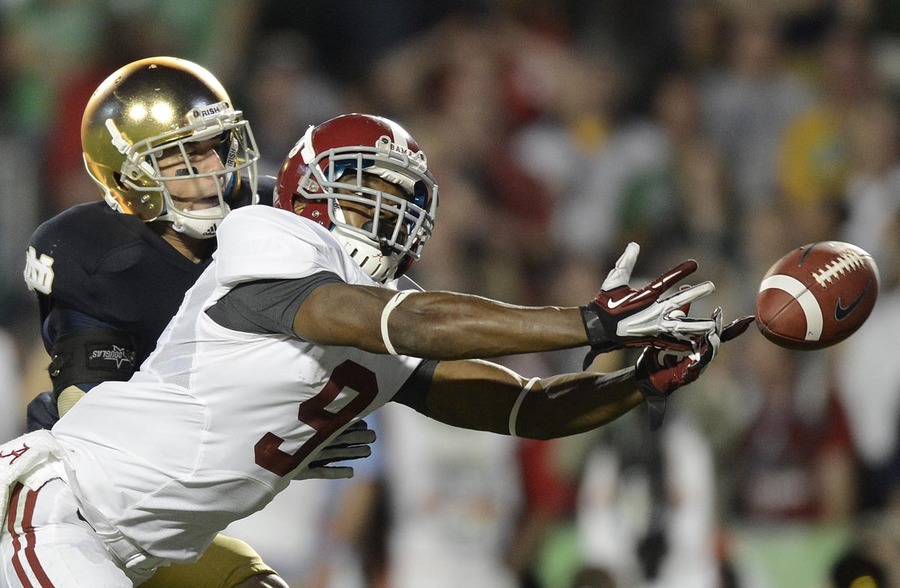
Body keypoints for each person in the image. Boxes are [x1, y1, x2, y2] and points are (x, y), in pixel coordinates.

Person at [1, 113, 752, 586]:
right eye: (365, 192)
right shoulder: (271, 237)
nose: (388, 212)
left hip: (150, 549)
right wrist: (585, 322)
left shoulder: (387, 326)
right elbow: (380, 319)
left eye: (403, 196)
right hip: (56, 507)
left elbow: (531, 410)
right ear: (311, 193)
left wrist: (641, 385)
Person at [20, 57, 373, 588]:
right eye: (183, 159)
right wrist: (257, 432)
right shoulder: (97, 255)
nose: (212, 172)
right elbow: (98, 425)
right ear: (128, 174)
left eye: (215, 147)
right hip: (79, 509)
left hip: (171, 522)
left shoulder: (264, 216)